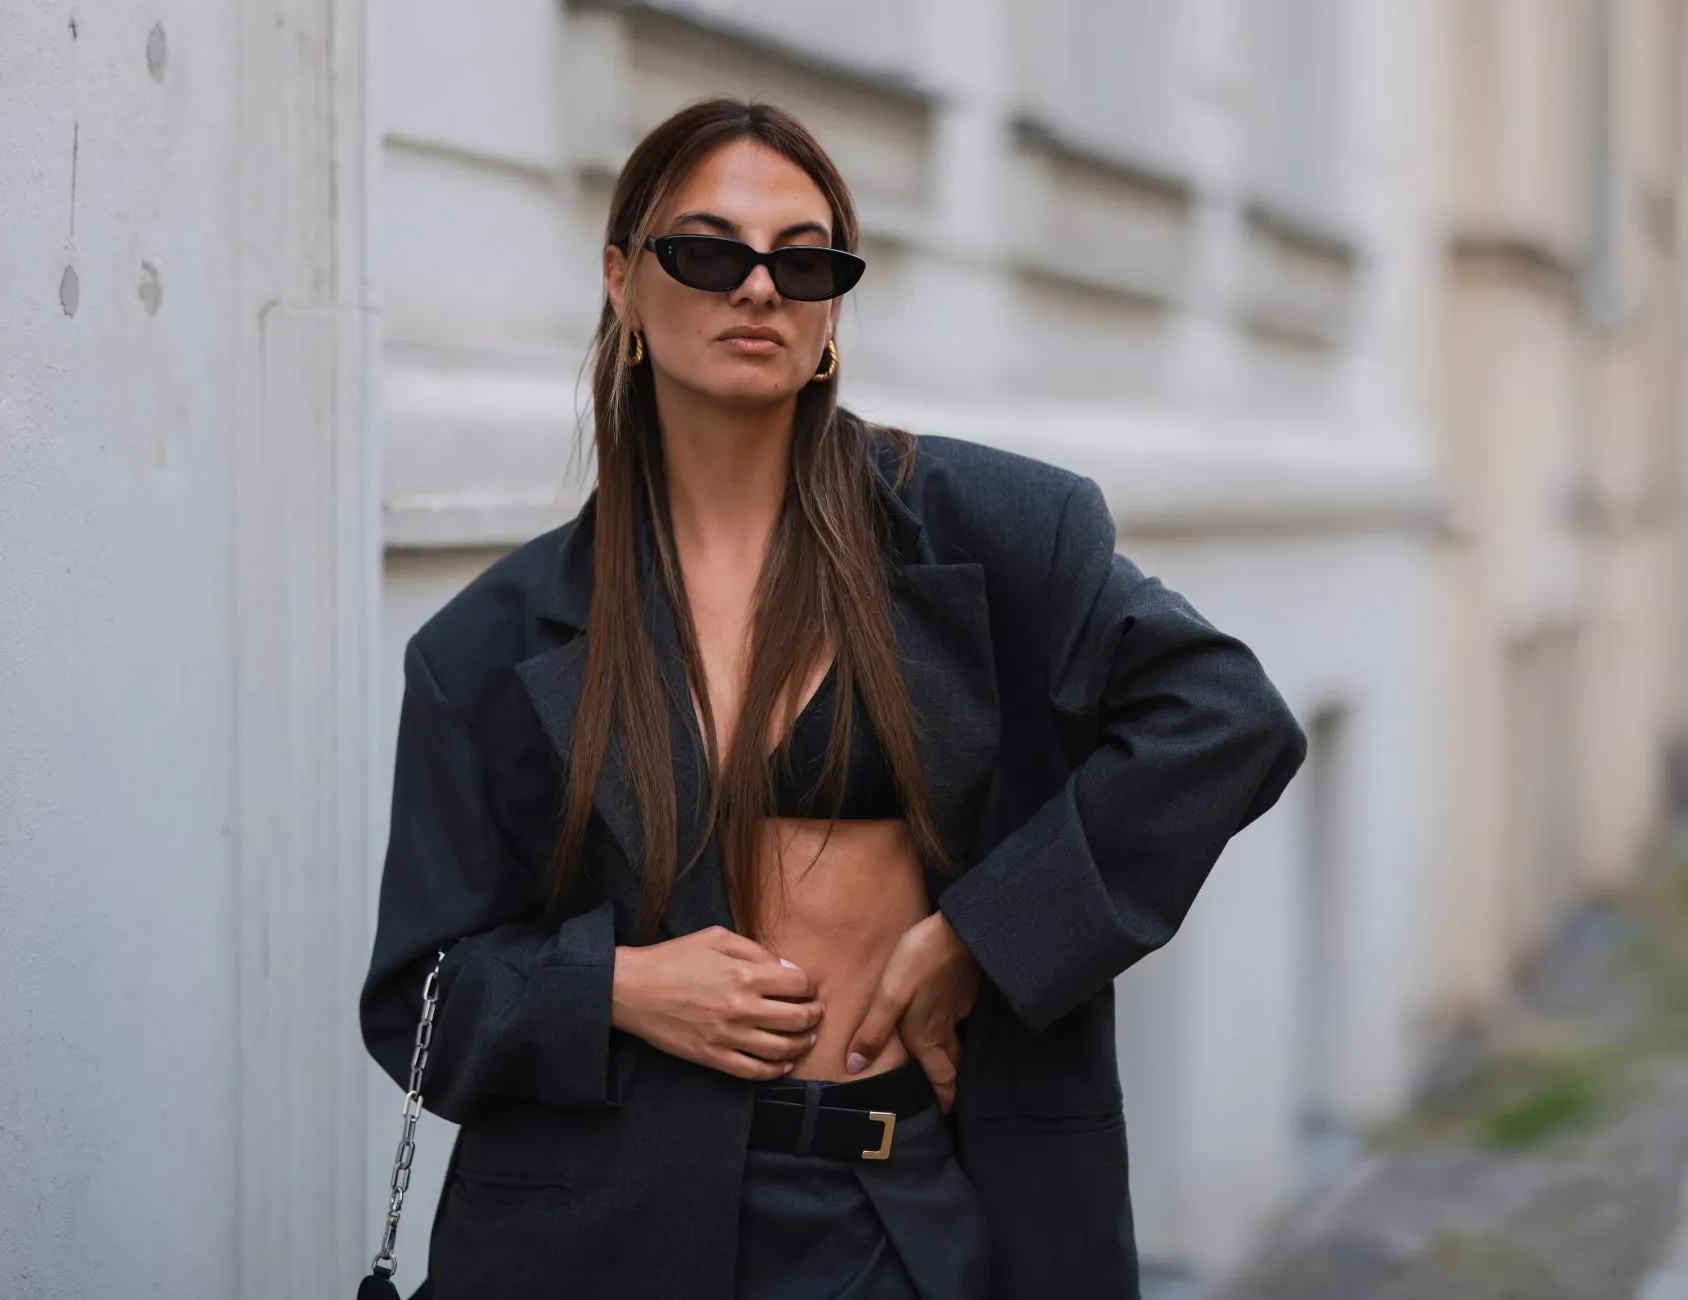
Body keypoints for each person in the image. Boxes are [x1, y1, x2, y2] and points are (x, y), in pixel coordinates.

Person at [360, 97, 1307, 1300]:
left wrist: (985, 931)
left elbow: (1224, 717)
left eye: (802, 258)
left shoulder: (992, 528)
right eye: (707, 251)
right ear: (621, 280)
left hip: (905, 1205)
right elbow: (419, 1003)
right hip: (602, 1236)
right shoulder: (487, 644)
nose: (758, 288)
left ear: (832, 301)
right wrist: (622, 988)